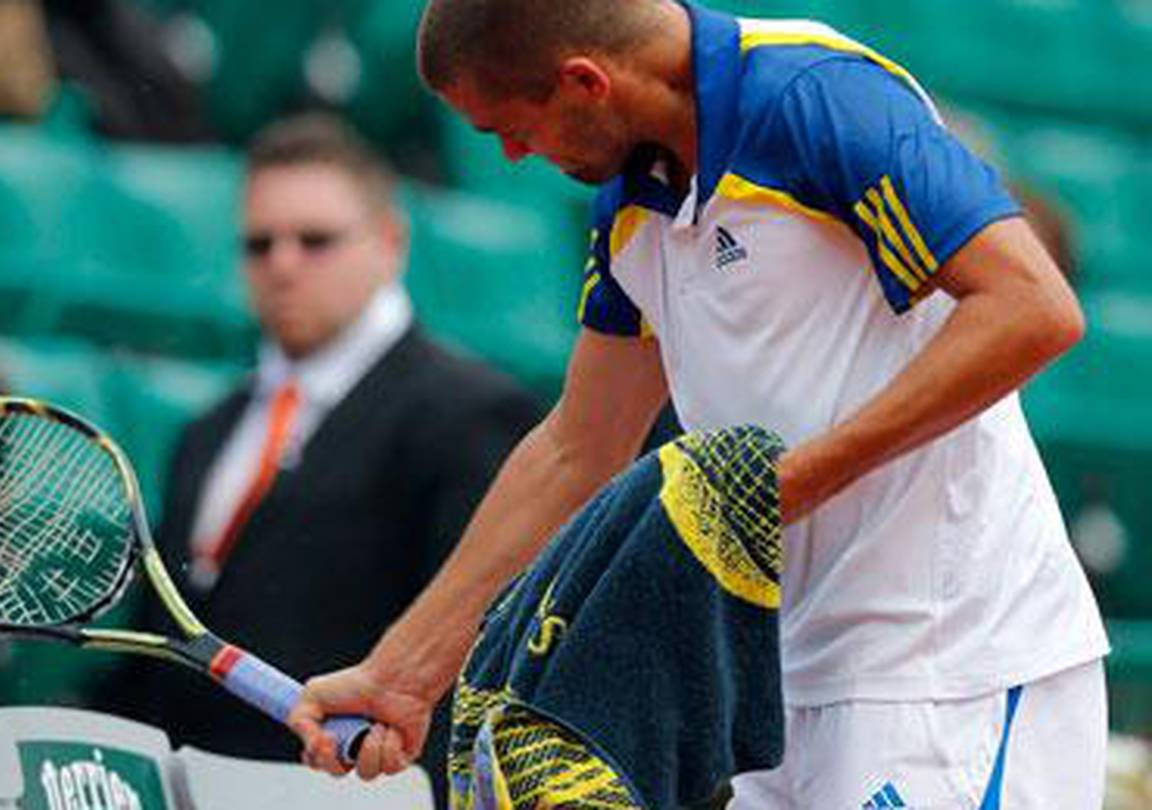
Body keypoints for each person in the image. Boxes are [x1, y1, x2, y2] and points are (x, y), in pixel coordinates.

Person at [291, 2, 1109, 808]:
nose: (510, 155)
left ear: (585, 82)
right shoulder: (628, 196)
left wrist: (777, 491)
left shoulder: (816, 93)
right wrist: (404, 672)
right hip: (772, 686)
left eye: (511, 126)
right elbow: (579, 446)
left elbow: (1033, 307)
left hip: (951, 668)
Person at [91, 112, 542, 806]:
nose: (283, 263)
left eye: (316, 240)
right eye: (258, 243)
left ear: (391, 242)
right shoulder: (206, 430)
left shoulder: (471, 415)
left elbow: (480, 661)